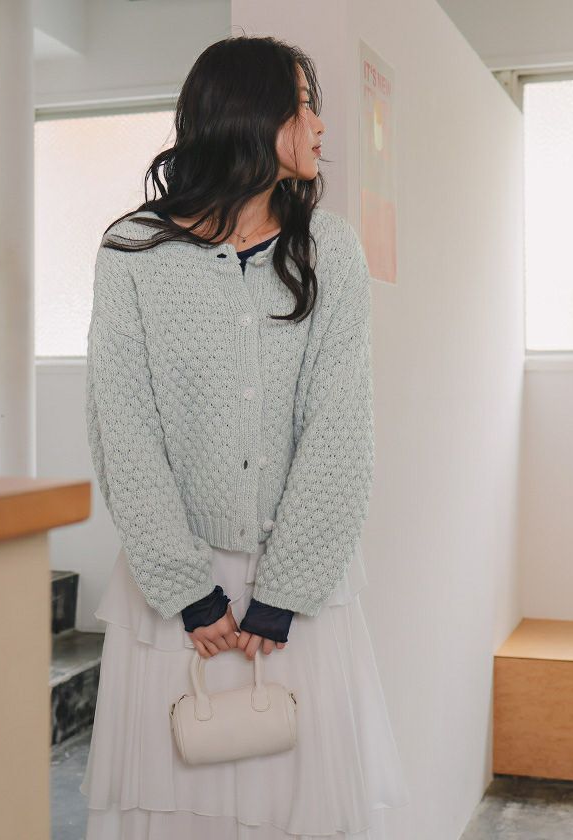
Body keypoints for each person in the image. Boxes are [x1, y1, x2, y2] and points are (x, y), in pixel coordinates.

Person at [80, 33, 411, 840]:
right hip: (172, 600)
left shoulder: (329, 248)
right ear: (250, 115)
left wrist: (283, 594)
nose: (320, 126)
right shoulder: (132, 253)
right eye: (304, 106)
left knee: (295, 811)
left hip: (298, 598)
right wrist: (187, 591)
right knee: (174, 809)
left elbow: (340, 431)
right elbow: (123, 430)